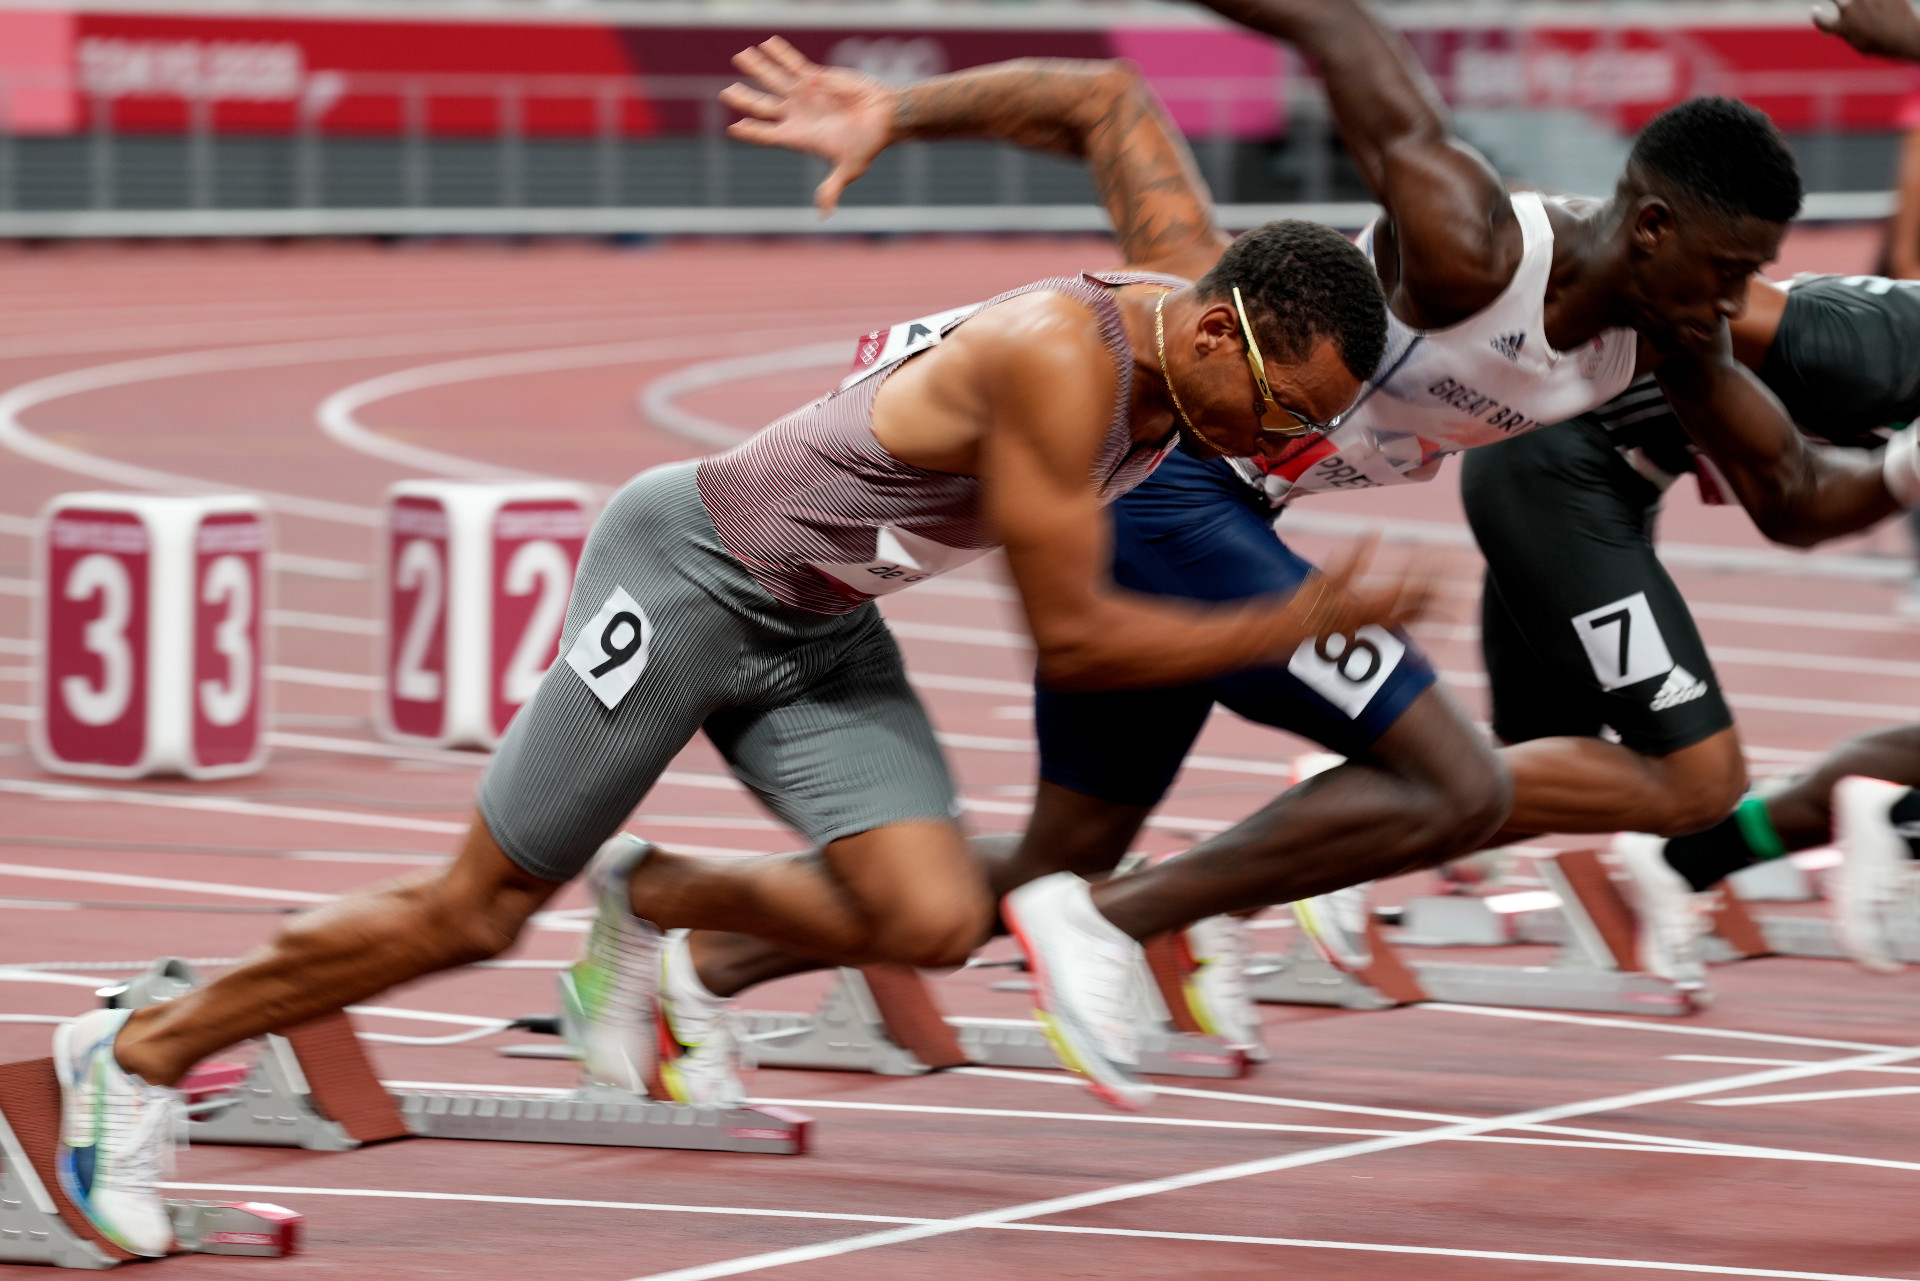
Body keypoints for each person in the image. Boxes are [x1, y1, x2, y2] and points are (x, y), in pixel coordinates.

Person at [41, 56, 1423, 1256]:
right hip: (693, 570)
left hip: (820, 628)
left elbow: (1107, 100)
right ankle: (131, 1059)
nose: (1286, 457)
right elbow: (1077, 633)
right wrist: (1293, 621)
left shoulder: (1199, 306)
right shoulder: (1063, 367)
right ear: (1215, 332)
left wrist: (893, 109)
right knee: (473, 912)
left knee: (932, 912)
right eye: (1285, 416)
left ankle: (654, 902)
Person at [670, 0, 1915, 1110]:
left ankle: (683, 950)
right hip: (1175, 493)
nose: (1745, 303)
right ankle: (1126, 920)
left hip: (1209, 520)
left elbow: (1796, 499)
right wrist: (895, 108)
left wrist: (1908, 468)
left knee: (1051, 860)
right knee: (1454, 783)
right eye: (1731, 271)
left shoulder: (1673, 343)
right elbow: (1333, 27)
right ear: (1649, 229)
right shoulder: (1470, 243)